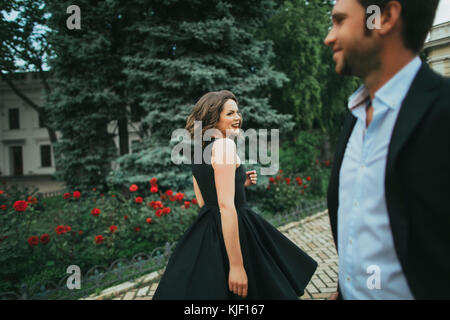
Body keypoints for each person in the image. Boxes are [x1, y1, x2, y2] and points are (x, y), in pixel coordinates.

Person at [324, 0, 449, 299]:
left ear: (384, 17)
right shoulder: (355, 116)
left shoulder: (444, 114)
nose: (329, 36)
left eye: (340, 20)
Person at [152, 90, 317, 299]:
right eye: (230, 113)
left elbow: (204, 201)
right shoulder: (224, 145)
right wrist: (237, 266)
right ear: (213, 117)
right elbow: (225, 206)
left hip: (208, 232)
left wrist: (240, 182)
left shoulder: (198, 151)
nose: (237, 117)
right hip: (235, 230)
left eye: (237, 112)